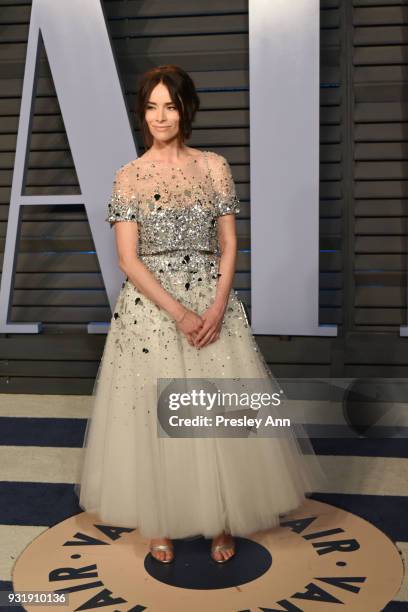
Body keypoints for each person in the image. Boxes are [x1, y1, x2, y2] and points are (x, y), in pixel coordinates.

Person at [74, 64, 327, 564]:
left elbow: (231, 243)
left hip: (214, 300)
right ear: (142, 112)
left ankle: (222, 518)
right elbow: (128, 259)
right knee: (152, 416)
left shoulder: (213, 166)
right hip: (152, 311)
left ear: (185, 109)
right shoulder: (129, 176)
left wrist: (213, 307)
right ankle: (162, 520)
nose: (160, 116)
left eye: (169, 105)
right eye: (151, 106)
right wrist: (180, 314)